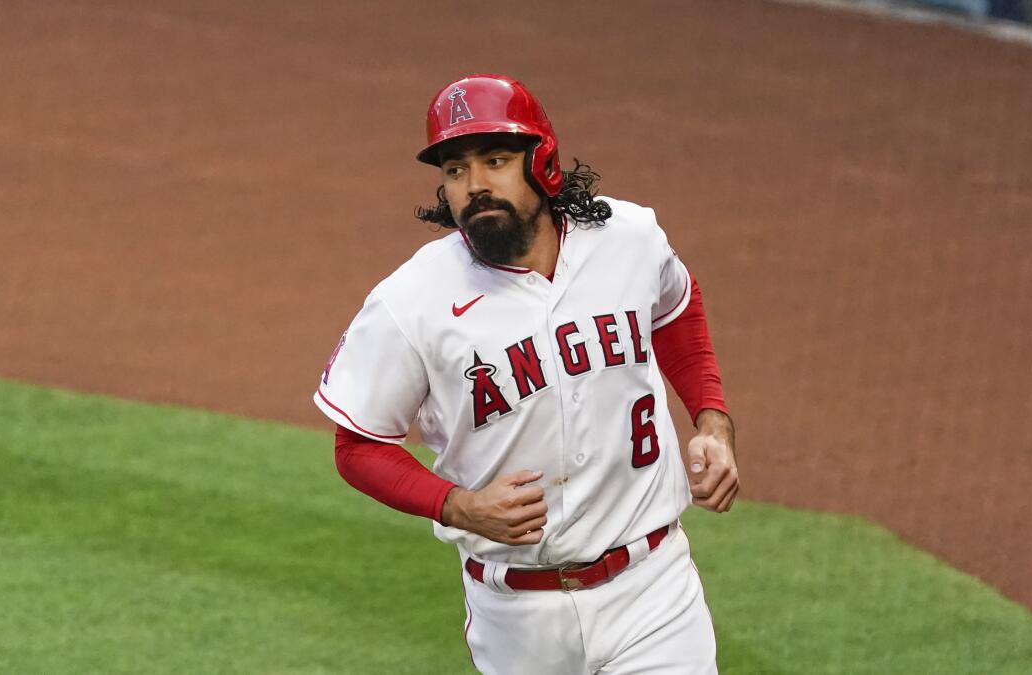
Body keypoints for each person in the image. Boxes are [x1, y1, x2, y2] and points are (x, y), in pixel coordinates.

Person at [313, 74, 738, 674]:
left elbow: (676, 305)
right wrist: (455, 505)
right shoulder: (411, 301)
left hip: (653, 591)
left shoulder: (628, 239)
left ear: (544, 163)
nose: (475, 185)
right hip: (516, 617)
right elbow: (358, 445)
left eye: (495, 160)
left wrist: (712, 420)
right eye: (455, 170)